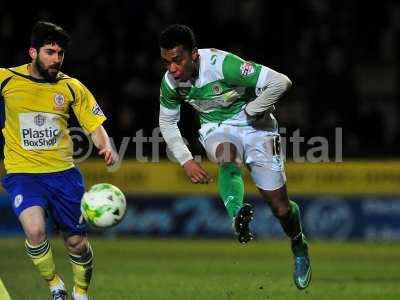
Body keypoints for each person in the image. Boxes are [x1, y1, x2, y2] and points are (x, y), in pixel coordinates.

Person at [158, 24, 311, 289]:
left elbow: (280, 82)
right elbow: (167, 123)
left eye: (177, 60)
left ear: (193, 54)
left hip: (258, 128)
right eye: (166, 61)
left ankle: (299, 245)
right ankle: (236, 216)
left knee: (281, 208)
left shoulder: (224, 65)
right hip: (216, 127)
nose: (172, 68)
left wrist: (254, 109)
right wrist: (186, 159)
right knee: (226, 157)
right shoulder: (170, 83)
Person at [0, 21, 118, 300]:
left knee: (77, 244)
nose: (56, 59)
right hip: (22, 173)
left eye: (60, 54)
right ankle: (55, 285)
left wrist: (106, 146)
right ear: (33, 52)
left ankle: (80, 291)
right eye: (50, 52)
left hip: (64, 175)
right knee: (35, 230)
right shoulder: (6, 79)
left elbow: (94, 124)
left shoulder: (71, 87)